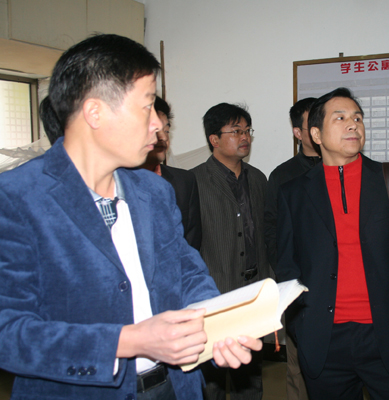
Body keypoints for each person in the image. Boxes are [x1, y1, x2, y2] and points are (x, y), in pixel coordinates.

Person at [0, 34, 262, 400]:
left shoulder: (153, 191)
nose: (157, 124)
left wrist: (217, 326)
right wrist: (129, 340)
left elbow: (187, 273)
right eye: (147, 107)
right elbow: (9, 333)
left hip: (175, 386)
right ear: (95, 112)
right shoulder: (16, 197)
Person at [276, 87, 389, 400]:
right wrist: (301, 327)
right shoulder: (293, 193)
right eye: (340, 118)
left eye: (358, 118)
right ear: (316, 134)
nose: (353, 124)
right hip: (324, 340)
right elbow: (287, 267)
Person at [191, 103, 269, 400]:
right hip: (213, 293)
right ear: (214, 138)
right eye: (236, 131)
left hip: (253, 293)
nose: (245, 137)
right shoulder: (194, 181)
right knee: (210, 382)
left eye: (247, 130)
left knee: (249, 378)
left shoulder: (258, 179)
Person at [264, 97, 319, 400]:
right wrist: (287, 277)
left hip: (343, 284)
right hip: (299, 283)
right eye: (313, 122)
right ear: (298, 132)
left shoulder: (345, 167)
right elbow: (271, 229)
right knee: (298, 365)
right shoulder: (283, 175)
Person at [141, 96, 201, 251]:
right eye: (155, 129)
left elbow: (191, 241)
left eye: (166, 130)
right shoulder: (115, 181)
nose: (163, 137)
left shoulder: (185, 181)